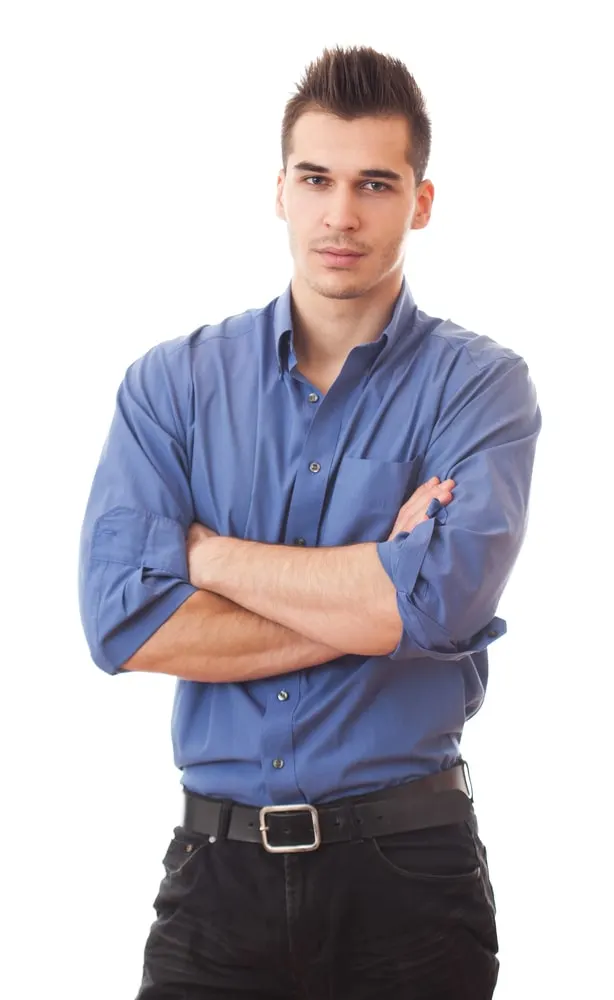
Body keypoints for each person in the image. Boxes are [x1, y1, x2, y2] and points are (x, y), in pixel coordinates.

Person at [78, 43, 541, 999]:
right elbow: (123, 622)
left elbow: (439, 607)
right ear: (278, 191)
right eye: (316, 178)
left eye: (376, 183)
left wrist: (202, 555)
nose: (341, 214)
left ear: (420, 201)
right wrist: (372, 578)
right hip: (215, 877)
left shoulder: (482, 388)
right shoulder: (173, 386)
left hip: (408, 875)